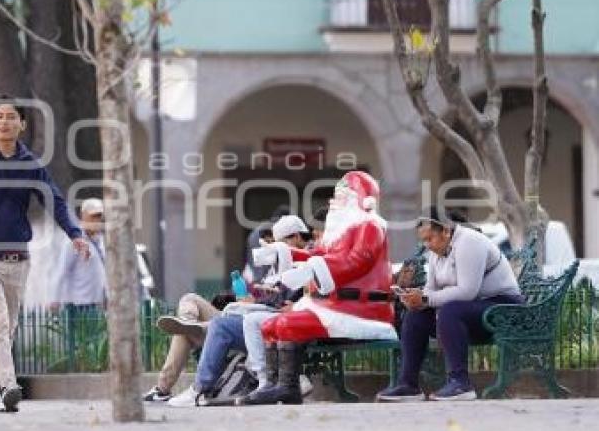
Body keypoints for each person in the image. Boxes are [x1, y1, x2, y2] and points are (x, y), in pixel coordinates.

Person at [0, 97, 88, 413]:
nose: (4, 122)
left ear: (21, 125)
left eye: (11, 117)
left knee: (7, 329)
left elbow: (55, 201)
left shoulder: (31, 164)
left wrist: (75, 233)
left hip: (19, 260)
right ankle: (10, 386)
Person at [249, 171, 397, 405]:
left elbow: (357, 263)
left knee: (286, 324)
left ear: (359, 200)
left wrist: (313, 267)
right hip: (336, 304)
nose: (333, 202)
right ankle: (277, 385)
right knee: (270, 325)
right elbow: (318, 254)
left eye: (341, 196)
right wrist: (283, 252)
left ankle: (288, 388)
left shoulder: (370, 227)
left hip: (363, 309)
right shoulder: (340, 230)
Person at [377, 207, 523, 402]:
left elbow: (467, 291)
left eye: (430, 239)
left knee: (450, 311)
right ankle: (408, 385)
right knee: (416, 316)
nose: (427, 245)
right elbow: (431, 289)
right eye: (423, 241)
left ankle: (461, 384)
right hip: (472, 310)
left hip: (502, 308)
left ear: (446, 231)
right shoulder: (437, 252)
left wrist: (427, 299)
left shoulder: (469, 242)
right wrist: (416, 298)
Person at [166, 215, 311, 407]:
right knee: (209, 309)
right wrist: (250, 298)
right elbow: (274, 296)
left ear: (297, 238)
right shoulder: (280, 261)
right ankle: (196, 333)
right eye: (276, 242)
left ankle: (197, 387)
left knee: (220, 325)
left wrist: (282, 303)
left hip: (278, 323)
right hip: (265, 316)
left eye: (282, 241)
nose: (277, 247)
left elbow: (293, 300)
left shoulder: (307, 261)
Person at [47, 198, 107, 311]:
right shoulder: (74, 240)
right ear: (83, 216)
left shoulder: (100, 240)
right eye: (93, 216)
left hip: (97, 303)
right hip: (78, 304)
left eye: (99, 216)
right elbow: (62, 270)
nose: (97, 220)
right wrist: (55, 299)